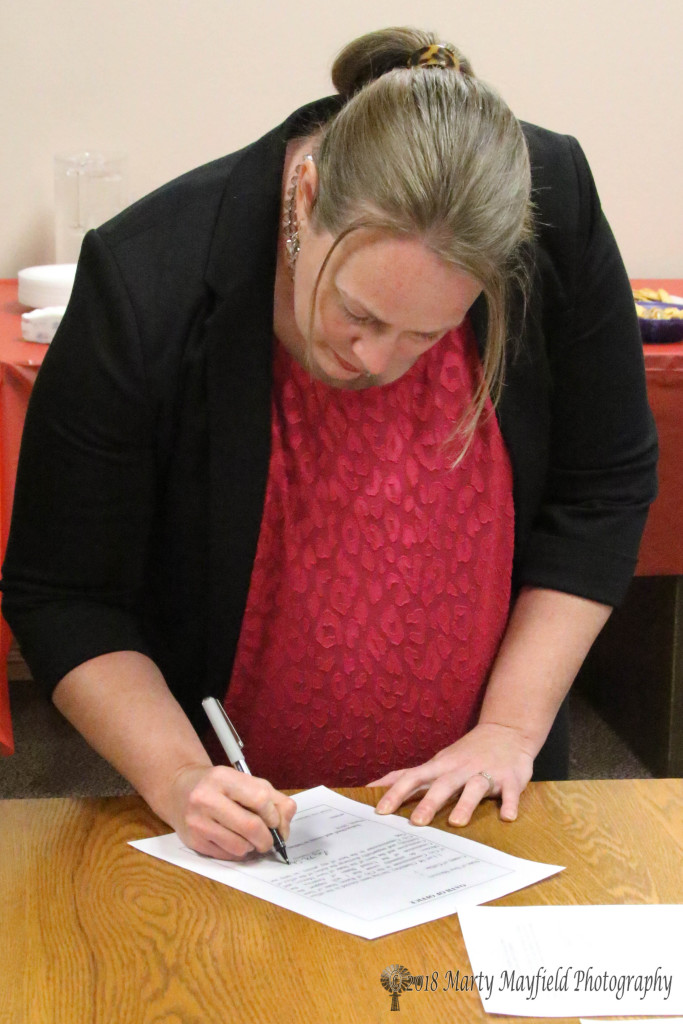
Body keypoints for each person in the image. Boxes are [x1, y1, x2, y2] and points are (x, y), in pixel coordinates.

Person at [1, 28, 657, 861]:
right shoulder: (147, 283)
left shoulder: (549, 199)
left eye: (427, 336)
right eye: (359, 313)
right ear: (304, 197)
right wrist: (176, 778)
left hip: (476, 802)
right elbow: (64, 592)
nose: (376, 364)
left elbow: (604, 483)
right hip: (235, 832)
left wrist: (510, 726)